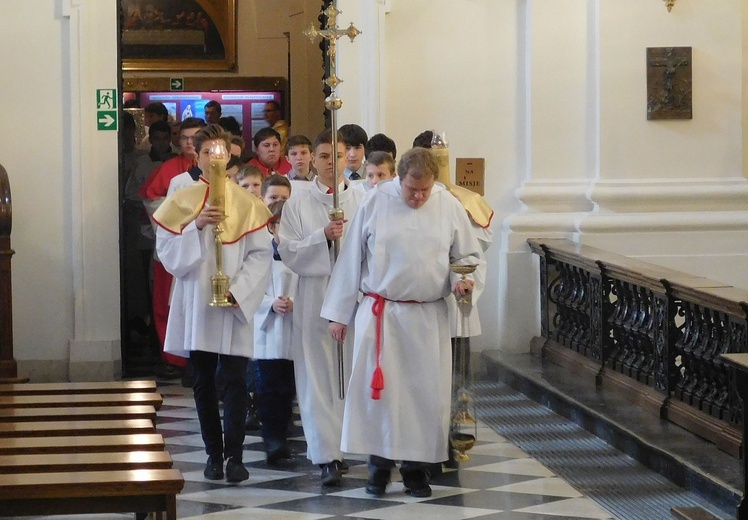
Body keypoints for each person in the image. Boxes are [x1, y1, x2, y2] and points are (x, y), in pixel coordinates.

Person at [320, 147, 484, 498]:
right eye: (412, 190)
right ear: (399, 179)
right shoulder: (376, 201)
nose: (419, 197)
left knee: (423, 397)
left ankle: (416, 472)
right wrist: (339, 313)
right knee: (379, 397)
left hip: (427, 317)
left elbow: (467, 257)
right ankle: (378, 470)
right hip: (382, 314)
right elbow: (352, 258)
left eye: (425, 190)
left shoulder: (448, 205)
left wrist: (462, 280)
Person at [153, 124, 273, 483]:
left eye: (220, 152)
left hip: (234, 302)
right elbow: (168, 253)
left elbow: (261, 255)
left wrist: (240, 290)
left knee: (235, 381)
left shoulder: (248, 203)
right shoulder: (183, 198)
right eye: (207, 152)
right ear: (198, 156)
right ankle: (212, 454)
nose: (214, 158)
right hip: (197, 302)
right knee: (204, 381)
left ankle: (235, 455)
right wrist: (196, 227)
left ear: (231, 155)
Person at [278, 128, 364, 486]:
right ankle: (326, 454)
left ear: (349, 159)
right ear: (313, 159)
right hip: (315, 293)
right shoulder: (298, 202)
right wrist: (321, 238)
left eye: (339, 156)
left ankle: (353, 444)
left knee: (353, 373)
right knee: (316, 376)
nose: (332, 164)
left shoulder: (363, 198)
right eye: (325, 157)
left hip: (357, 297)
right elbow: (288, 250)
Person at [413, 129, 494, 471]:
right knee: (420, 379)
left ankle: (449, 437)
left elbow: (478, 247)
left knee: (455, 381)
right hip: (417, 308)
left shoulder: (458, 201)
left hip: (454, 307)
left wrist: (457, 218)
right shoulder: (406, 198)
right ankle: (419, 442)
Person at [140, 117, 207, 381]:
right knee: (168, 303)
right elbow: (151, 200)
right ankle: (173, 358)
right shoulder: (171, 171)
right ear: (178, 141)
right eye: (185, 138)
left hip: (207, 247)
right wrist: (181, 221)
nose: (190, 143)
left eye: (195, 137)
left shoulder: (219, 169)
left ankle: (201, 357)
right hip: (177, 243)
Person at [254, 187, 296, 463]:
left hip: (294, 329)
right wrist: (270, 303)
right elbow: (249, 288)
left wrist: (294, 301)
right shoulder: (260, 254)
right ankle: (272, 439)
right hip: (268, 331)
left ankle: (285, 433)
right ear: (272, 226)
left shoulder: (302, 255)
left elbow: (313, 288)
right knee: (269, 387)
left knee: (288, 388)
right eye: (282, 226)